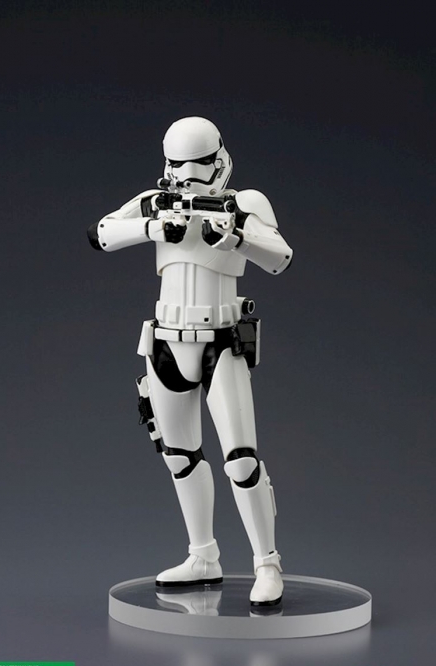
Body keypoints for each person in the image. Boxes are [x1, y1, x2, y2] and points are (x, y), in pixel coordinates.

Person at [88, 116, 293, 606]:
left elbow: (280, 257)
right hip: (165, 340)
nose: (186, 175)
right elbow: (101, 233)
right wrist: (153, 226)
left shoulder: (243, 203)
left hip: (221, 342)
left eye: (197, 163)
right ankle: (203, 556)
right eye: (177, 164)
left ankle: (267, 564)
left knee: (241, 460)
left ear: (218, 160)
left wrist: (236, 238)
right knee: (179, 456)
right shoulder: (155, 201)